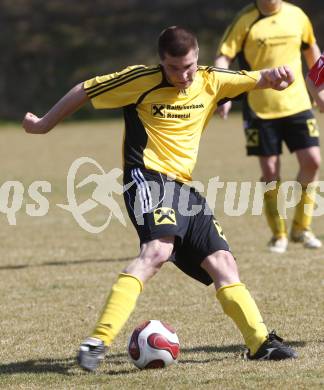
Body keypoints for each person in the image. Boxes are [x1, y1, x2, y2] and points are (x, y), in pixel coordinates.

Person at [22, 26, 297, 372]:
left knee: (224, 263)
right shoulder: (139, 80)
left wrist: (273, 76)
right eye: (174, 68)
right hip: (147, 178)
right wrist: (44, 124)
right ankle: (98, 341)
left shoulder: (211, 79)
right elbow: (84, 89)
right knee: (157, 251)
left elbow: (253, 78)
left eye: (190, 66)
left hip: (184, 188)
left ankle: (260, 344)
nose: (183, 75)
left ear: (198, 56)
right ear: (161, 63)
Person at [215, 0, 322, 253]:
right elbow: (224, 57)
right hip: (260, 109)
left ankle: (301, 228)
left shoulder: (297, 15)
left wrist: (319, 90)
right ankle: (279, 235)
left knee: (313, 162)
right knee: (271, 171)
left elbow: (311, 49)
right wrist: (224, 94)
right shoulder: (245, 20)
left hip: (297, 105)